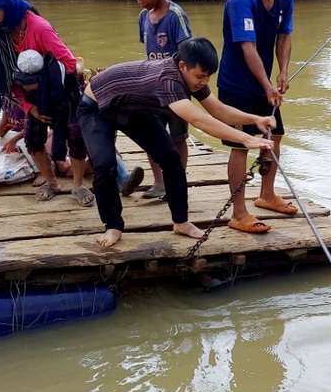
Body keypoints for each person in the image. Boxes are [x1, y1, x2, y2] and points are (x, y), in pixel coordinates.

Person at [77, 37, 275, 248]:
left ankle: (181, 222)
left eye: (207, 77)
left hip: (134, 110)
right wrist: (245, 139)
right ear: (182, 66)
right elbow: (199, 120)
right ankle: (113, 225)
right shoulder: (168, 80)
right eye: (200, 76)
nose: (203, 82)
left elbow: (218, 110)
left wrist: (254, 119)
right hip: (96, 108)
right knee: (105, 164)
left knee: (172, 160)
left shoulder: (193, 77)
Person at [0, 0, 93, 206]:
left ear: (7, 6)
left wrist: (42, 85)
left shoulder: (40, 28)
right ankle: (52, 183)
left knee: (75, 136)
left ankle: (78, 184)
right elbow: (9, 80)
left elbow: (67, 64)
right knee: (33, 140)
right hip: (30, 95)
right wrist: (29, 107)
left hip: (61, 88)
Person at [217, 0, 297, 234]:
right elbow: (248, 48)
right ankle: (238, 213)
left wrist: (283, 73)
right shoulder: (241, 0)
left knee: (273, 136)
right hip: (237, 84)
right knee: (241, 146)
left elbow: (284, 35)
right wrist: (267, 84)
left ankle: (266, 195)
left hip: (265, 83)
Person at [120, 0, 193, 200]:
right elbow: (149, 52)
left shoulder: (175, 15)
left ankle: (177, 181)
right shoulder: (144, 17)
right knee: (153, 133)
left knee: (178, 137)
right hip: (152, 86)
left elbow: (186, 53)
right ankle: (160, 183)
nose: (139, 1)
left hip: (176, 87)